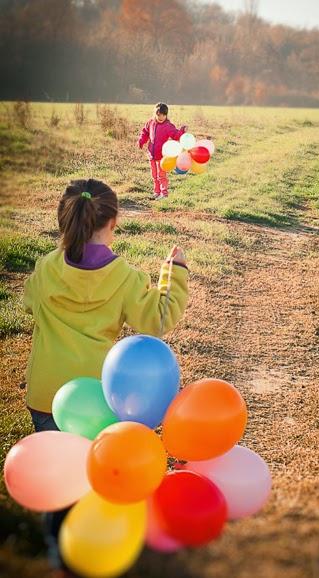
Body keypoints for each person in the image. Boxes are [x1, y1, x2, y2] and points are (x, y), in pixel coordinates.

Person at [22, 178, 189, 572]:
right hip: (99, 399)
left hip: (46, 395)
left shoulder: (46, 268)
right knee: (97, 476)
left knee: (57, 478)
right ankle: (95, 549)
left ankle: (58, 550)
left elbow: (29, 302)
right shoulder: (125, 278)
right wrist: (175, 272)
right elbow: (158, 319)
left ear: (65, 221)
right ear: (112, 223)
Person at [137, 102, 187, 200]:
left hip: (162, 156)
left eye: (164, 115)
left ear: (166, 115)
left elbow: (175, 135)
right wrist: (141, 141)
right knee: (154, 175)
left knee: (162, 175)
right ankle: (157, 192)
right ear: (155, 113)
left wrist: (182, 131)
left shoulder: (168, 126)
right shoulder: (150, 123)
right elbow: (145, 132)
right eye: (159, 115)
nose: (161, 117)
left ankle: (164, 193)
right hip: (151, 154)